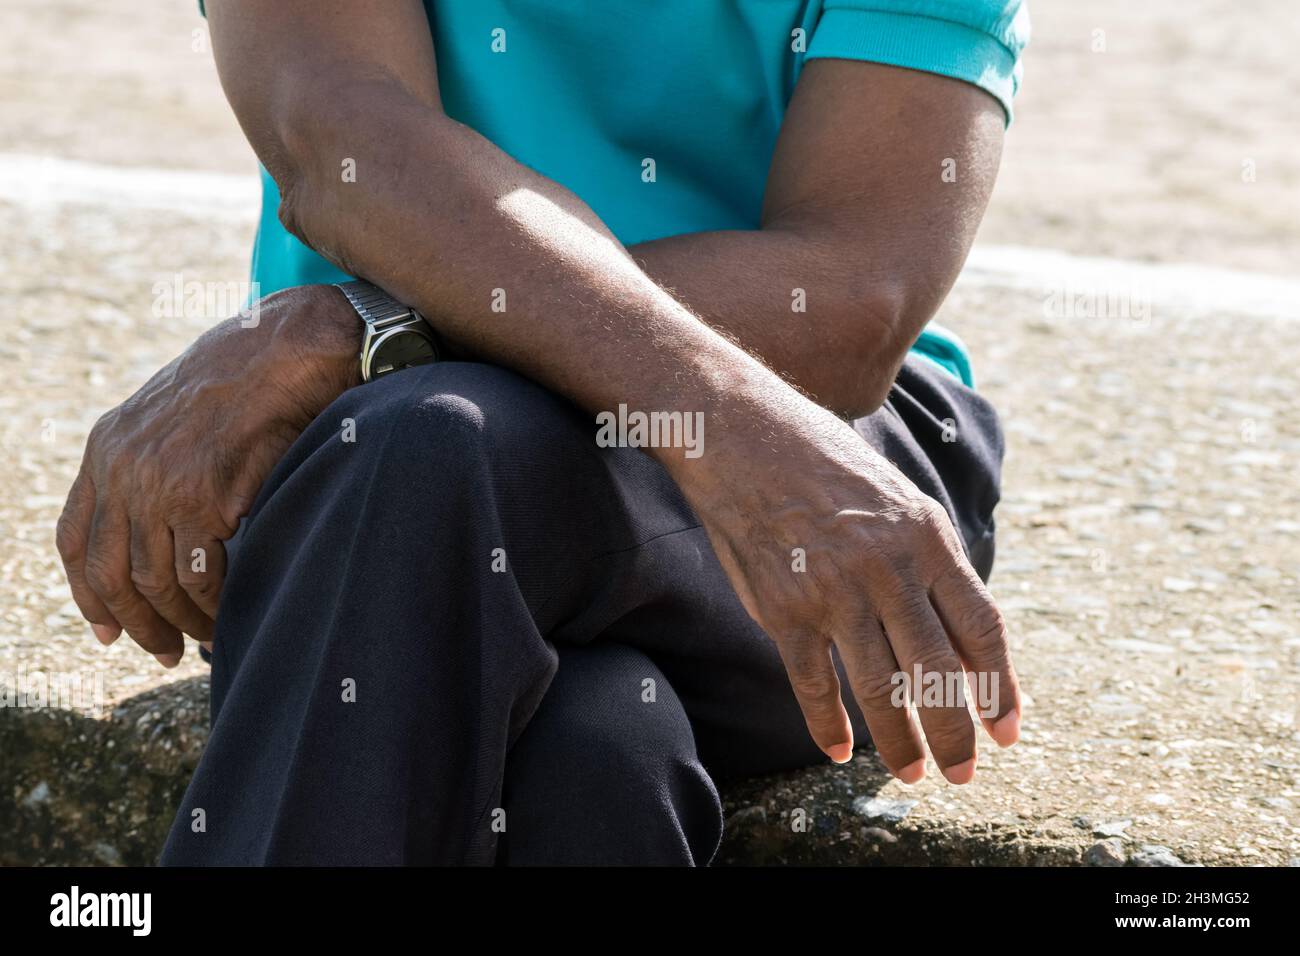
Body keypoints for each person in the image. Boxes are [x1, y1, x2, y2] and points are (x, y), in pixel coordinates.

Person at [57, 0, 1029, 865]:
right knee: (595, 751)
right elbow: (341, 137)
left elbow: (852, 296)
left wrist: (371, 327)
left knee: (430, 441)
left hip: (820, 442)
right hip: (397, 471)